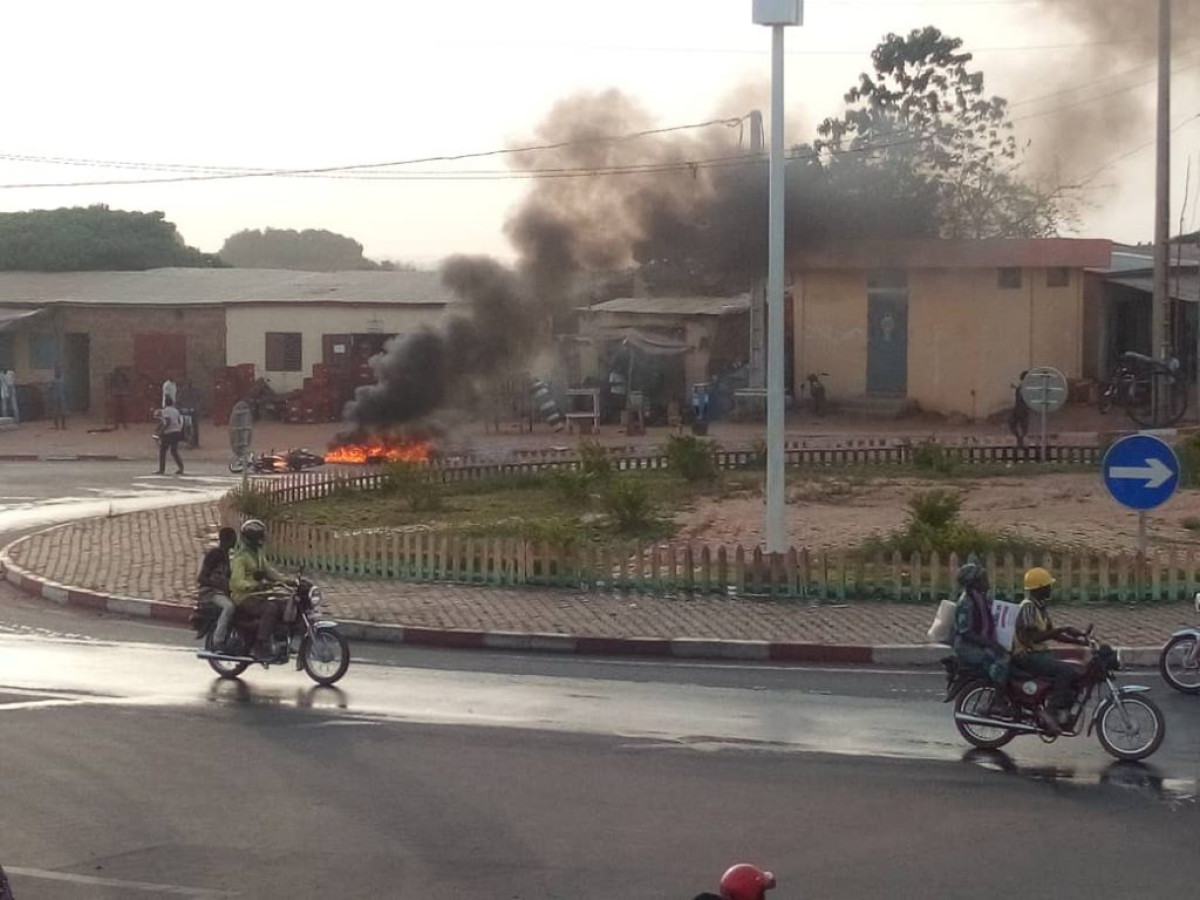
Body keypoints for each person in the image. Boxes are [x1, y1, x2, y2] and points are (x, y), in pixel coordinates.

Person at [1014, 567, 1089, 734]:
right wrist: (1060, 630)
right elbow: (1034, 638)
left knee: (1074, 672)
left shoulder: (1040, 607)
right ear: (1039, 588)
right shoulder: (1028, 608)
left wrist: (1078, 640)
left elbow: (1052, 633)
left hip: (1038, 653)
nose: (1050, 589)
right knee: (1065, 671)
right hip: (1026, 656)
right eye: (1047, 586)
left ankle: (1062, 711)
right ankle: (1050, 711)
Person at [229, 518, 289, 660]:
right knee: (270, 609)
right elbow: (237, 582)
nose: (261, 539)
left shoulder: (258, 553)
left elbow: (268, 571)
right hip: (244, 597)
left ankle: (280, 639)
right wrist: (254, 585)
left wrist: (286, 581)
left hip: (258, 594)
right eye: (258, 537)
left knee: (284, 603)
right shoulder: (240, 557)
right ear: (250, 538)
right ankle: (261, 644)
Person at [952, 562, 1010, 687]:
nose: (987, 582)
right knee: (1002, 660)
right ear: (974, 582)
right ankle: (998, 694)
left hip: (976, 644)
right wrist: (991, 644)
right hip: (967, 647)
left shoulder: (980, 598)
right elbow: (966, 632)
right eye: (983, 579)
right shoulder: (966, 603)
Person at [197, 527, 238, 651]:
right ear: (227, 540)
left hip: (220, 593)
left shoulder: (226, 557)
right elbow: (201, 578)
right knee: (229, 607)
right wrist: (217, 584)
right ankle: (218, 640)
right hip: (210, 593)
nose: (235, 541)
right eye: (233, 539)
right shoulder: (215, 555)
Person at [155, 397, 186, 475]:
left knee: (163, 450)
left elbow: (167, 421)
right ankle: (181, 467)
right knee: (174, 450)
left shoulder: (164, 411)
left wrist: (161, 431)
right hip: (177, 431)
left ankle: (161, 469)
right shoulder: (176, 411)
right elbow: (179, 421)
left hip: (169, 432)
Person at [1009, 371, 1030, 448]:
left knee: (1020, 424)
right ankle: (1020, 438)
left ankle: (1021, 439)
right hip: (1020, 408)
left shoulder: (1025, 387)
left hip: (1021, 409)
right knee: (1016, 424)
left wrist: (1016, 387)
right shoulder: (1023, 386)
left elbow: (1021, 393)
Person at [49, 365, 67, 430]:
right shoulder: (62, 381)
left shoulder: (53, 381)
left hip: (56, 398)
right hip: (61, 398)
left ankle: (57, 426)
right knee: (62, 412)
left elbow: (50, 388)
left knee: (56, 412)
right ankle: (62, 426)